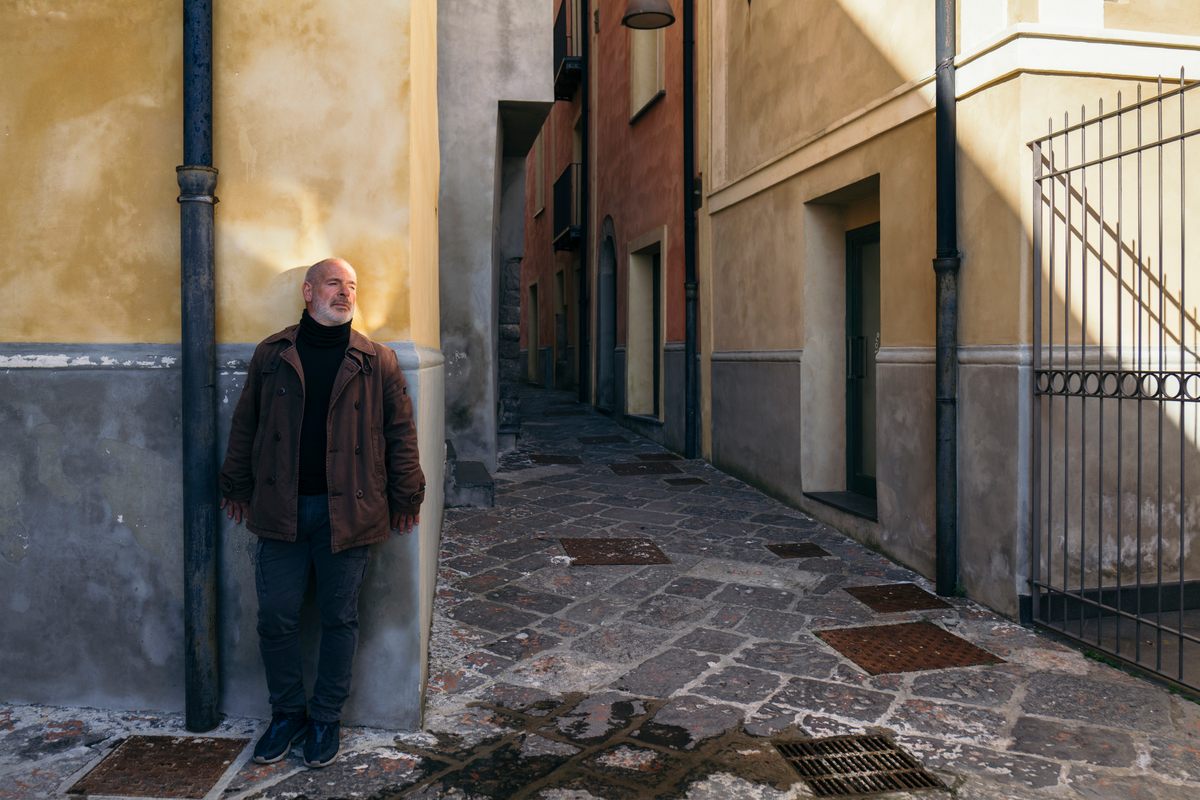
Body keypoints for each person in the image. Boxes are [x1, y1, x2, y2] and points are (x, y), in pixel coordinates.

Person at [219, 257, 425, 768]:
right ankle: (288, 714)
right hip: (280, 511)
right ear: (308, 291)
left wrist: (407, 496)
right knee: (277, 618)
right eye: (335, 283)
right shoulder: (273, 354)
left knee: (339, 619)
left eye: (352, 286)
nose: (345, 293)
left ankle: (326, 718)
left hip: (350, 514)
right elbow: (247, 424)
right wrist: (236, 484)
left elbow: (401, 435)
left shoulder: (378, 361)